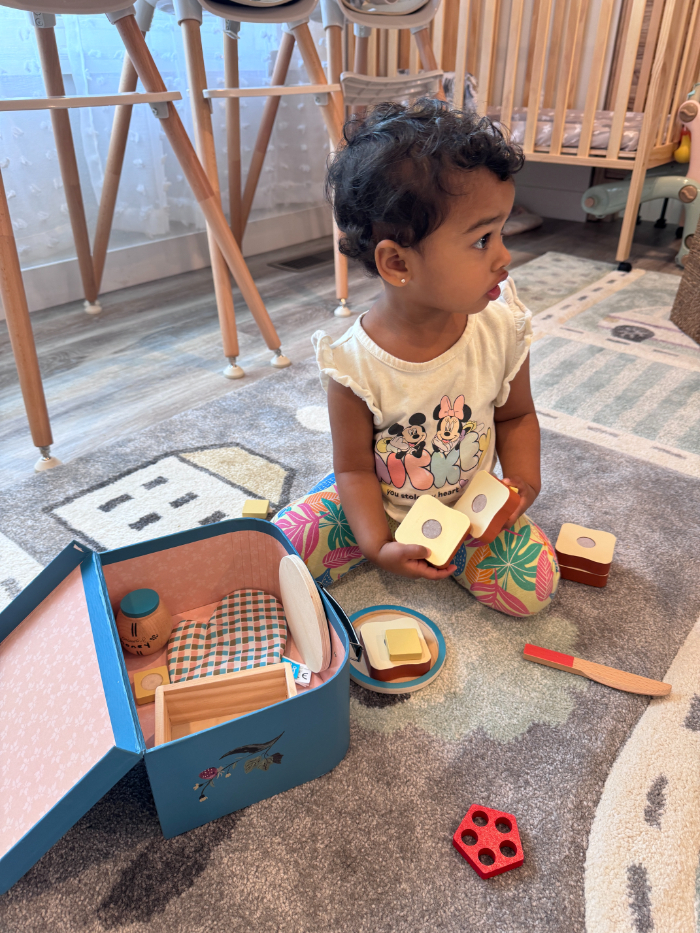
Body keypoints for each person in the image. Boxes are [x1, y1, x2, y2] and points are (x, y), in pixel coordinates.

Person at [273, 99, 559, 616]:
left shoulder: (500, 327)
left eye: (500, 233)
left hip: (468, 510)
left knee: (534, 588)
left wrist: (521, 487)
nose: (503, 256)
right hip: (381, 503)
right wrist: (377, 547)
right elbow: (357, 468)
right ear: (397, 263)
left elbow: (517, 416)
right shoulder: (353, 365)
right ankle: (334, 508)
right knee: (278, 549)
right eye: (480, 240)